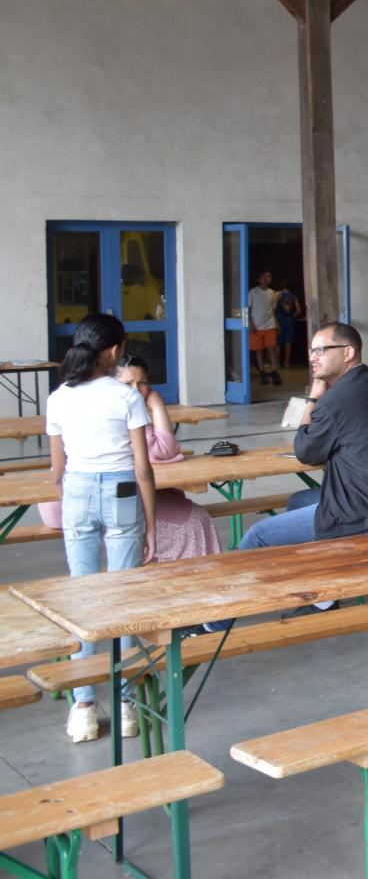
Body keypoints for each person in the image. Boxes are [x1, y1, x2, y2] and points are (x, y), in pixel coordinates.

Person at [237, 323, 368, 619]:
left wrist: (313, 397)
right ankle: (323, 589)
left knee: (257, 536)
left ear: (348, 352)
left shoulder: (337, 398)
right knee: (298, 501)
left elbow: (306, 451)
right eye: (311, 351)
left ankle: (213, 622)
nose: (312, 357)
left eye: (321, 350)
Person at [45, 314, 156, 743]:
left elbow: (57, 470)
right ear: (113, 351)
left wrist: (72, 496)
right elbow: (143, 469)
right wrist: (150, 525)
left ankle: (84, 707)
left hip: (76, 489)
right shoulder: (125, 396)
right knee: (122, 598)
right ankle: (126, 704)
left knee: (82, 597)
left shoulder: (59, 398)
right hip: (123, 490)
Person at [115, 355, 223, 562]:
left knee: (196, 517)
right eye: (127, 384)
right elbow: (166, 451)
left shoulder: (131, 416)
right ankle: (191, 576)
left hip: (132, 494)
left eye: (142, 383)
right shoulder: (118, 418)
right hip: (117, 502)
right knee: (194, 521)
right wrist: (157, 406)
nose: (135, 391)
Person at [248, 271, 281, 386]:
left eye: (268, 276)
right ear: (258, 279)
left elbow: (273, 310)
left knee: (272, 348)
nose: (266, 278)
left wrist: (276, 323)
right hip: (257, 325)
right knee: (259, 350)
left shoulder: (271, 292)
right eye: (263, 276)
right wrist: (250, 323)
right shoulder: (253, 292)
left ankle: (275, 371)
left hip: (269, 324)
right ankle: (262, 372)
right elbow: (248, 310)